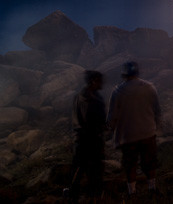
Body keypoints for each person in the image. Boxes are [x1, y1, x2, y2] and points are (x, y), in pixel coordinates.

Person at [107, 61, 161, 197]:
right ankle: (152, 188)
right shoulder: (149, 87)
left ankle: (132, 192)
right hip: (148, 133)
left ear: (124, 74)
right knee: (150, 162)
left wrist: (110, 132)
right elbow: (157, 110)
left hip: (128, 135)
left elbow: (112, 116)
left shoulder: (117, 92)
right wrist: (157, 127)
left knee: (130, 164)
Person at [65, 70, 106, 202]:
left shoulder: (80, 96)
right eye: (99, 80)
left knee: (80, 166)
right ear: (93, 81)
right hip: (90, 138)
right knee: (91, 167)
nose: (102, 83)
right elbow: (96, 120)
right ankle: (91, 194)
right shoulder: (93, 99)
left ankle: (73, 193)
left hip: (83, 138)